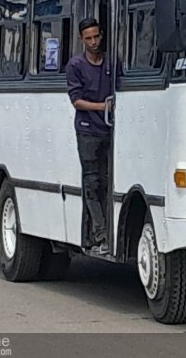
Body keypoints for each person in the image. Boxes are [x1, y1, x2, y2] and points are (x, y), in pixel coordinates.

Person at [65, 18, 114, 256]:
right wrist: (101, 107)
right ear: (81, 40)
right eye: (89, 38)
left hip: (109, 130)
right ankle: (99, 233)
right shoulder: (75, 65)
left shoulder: (111, 63)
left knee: (107, 181)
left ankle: (106, 231)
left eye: (96, 36)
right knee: (92, 183)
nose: (94, 42)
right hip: (87, 130)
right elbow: (76, 101)